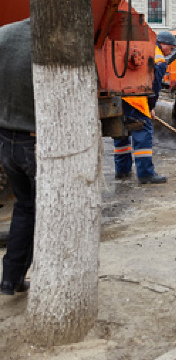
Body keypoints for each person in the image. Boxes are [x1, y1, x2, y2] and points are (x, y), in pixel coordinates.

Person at [114, 31, 176, 184]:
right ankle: (146, 174)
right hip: (137, 100)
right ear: (164, 44)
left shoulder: (139, 47)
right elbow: (154, 86)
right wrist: (150, 107)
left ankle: (122, 171)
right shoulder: (159, 58)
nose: (171, 52)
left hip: (120, 97)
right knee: (143, 132)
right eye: (172, 48)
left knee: (122, 133)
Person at [0, 19, 34, 295]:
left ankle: (11, 279)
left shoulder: (4, 34)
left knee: (25, 207)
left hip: (7, 138)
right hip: (34, 140)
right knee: (45, 211)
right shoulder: (56, 39)